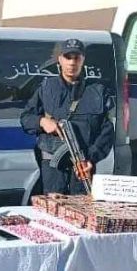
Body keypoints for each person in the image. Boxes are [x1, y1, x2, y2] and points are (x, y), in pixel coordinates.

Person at [20, 38, 114, 195]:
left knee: (81, 206)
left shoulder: (97, 91)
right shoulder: (47, 88)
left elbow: (107, 131)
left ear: (83, 60)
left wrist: (91, 159)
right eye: (67, 57)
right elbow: (26, 118)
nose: (72, 62)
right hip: (53, 165)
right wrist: (42, 122)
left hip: (83, 164)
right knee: (54, 205)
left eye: (76, 57)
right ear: (60, 59)